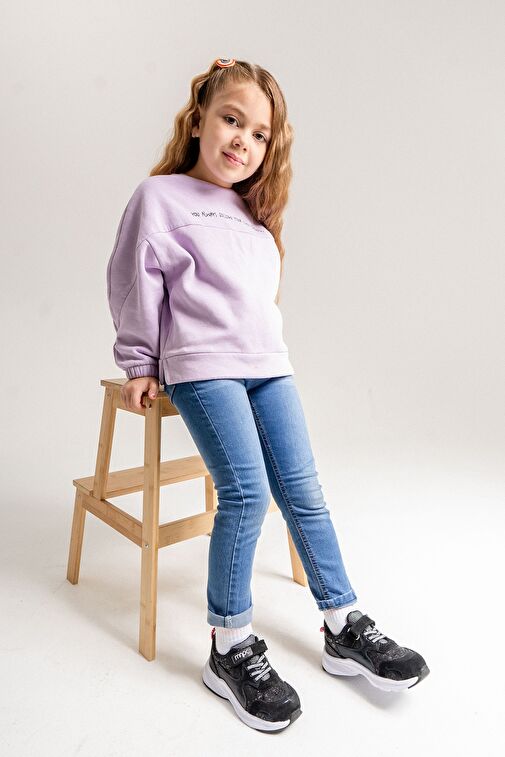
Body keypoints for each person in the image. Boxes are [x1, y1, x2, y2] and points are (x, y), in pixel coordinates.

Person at [106, 57, 430, 732]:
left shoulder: (254, 215)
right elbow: (134, 282)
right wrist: (138, 361)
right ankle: (228, 645)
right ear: (199, 118)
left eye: (259, 134)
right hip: (202, 367)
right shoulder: (158, 197)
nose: (243, 141)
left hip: (267, 365)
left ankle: (342, 622)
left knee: (303, 490)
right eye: (232, 119)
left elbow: (257, 305)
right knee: (247, 493)